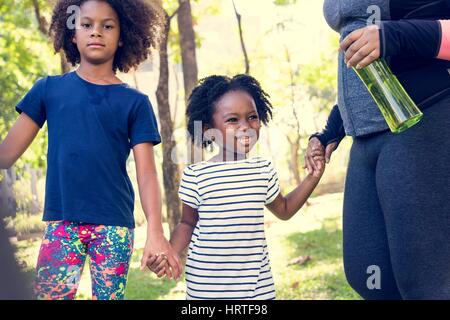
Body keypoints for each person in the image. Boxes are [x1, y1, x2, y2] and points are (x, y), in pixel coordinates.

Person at [0, 0, 181, 300]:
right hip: (62, 225)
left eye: (107, 26)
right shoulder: (48, 90)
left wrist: (155, 231)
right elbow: (5, 155)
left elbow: (147, 173)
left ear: (123, 36)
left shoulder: (135, 103)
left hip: (114, 228)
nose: (96, 32)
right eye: (86, 25)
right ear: (72, 33)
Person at [305, 0, 450, 299]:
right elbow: (367, 67)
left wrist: (393, 35)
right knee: (368, 275)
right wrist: (333, 128)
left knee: (426, 281)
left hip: (422, 120)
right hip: (367, 136)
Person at [146, 74, 325, 300]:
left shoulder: (263, 169)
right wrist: (169, 252)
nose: (245, 127)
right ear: (209, 128)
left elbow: (285, 210)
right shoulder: (196, 175)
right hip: (205, 288)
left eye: (252, 117)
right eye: (232, 120)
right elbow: (187, 223)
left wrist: (313, 178)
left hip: (257, 291)